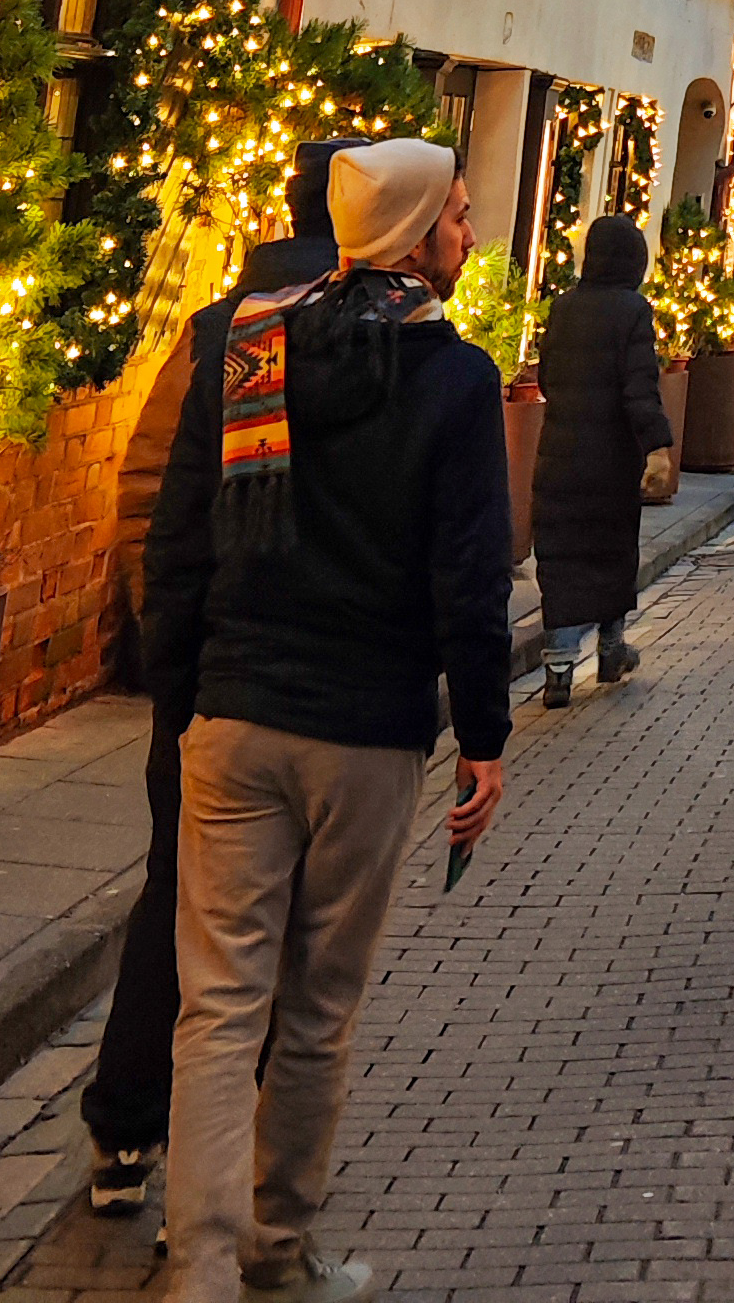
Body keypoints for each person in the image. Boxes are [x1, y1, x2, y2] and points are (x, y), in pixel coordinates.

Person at [142, 138, 512, 1303]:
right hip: (366, 733)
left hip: (238, 713)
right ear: (410, 234)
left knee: (216, 1006)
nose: (468, 234)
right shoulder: (453, 381)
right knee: (315, 1009)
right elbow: (471, 574)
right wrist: (485, 737)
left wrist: (183, 688)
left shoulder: (251, 350)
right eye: (455, 216)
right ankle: (277, 1247)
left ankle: (197, 1267)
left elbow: (187, 534)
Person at [84, 144, 343, 1225]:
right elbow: (160, 495)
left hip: (206, 670)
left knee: (173, 901)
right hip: (252, 676)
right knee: (258, 928)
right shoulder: (304, 337)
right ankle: (203, 1155)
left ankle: (131, 1133)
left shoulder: (218, 327)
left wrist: (171, 640)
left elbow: (150, 483)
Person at [532, 212, 676, 705]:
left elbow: (547, 376)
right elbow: (640, 386)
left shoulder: (563, 307)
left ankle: (557, 668)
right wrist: (656, 444)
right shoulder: (632, 311)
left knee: (562, 555)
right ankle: (611, 648)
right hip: (611, 459)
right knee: (610, 551)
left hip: (559, 455)